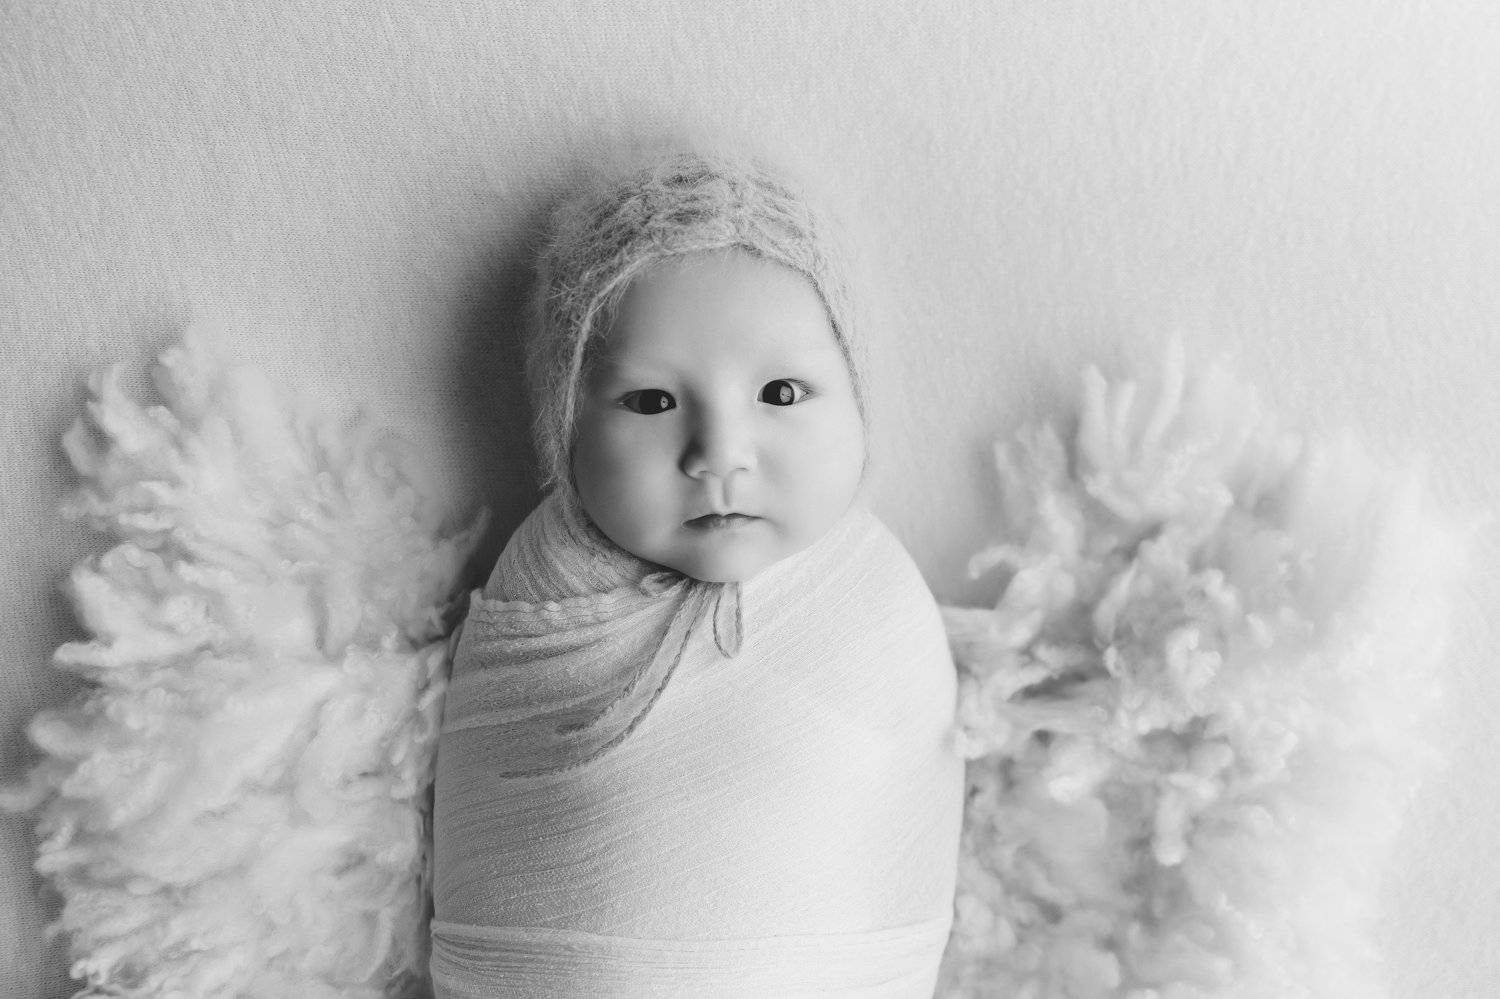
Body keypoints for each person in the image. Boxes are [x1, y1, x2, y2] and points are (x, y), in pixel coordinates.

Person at [429, 149, 965, 997]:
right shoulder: (538, 601)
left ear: (860, 400)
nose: (720, 454)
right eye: (652, 402)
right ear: (565, 427)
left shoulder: (874, 603)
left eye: (781, 394)